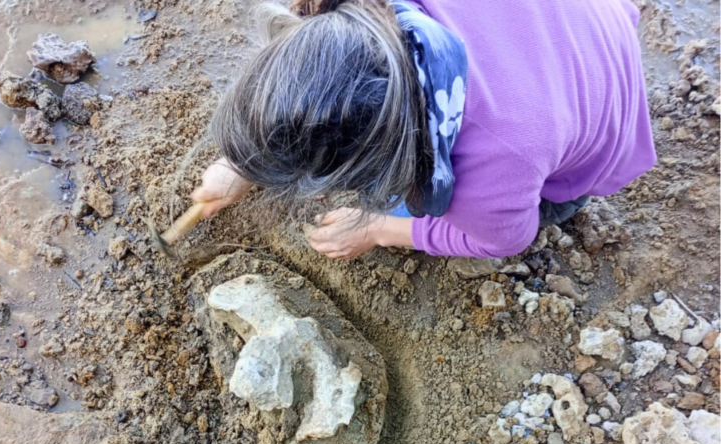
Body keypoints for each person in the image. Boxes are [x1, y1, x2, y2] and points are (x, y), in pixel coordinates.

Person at [192, 0, 656, 260]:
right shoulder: (353, 17)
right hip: (585, 22)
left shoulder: (492, 164)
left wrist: (378, 229)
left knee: (411, 205)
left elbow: (506, 238)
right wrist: (245, 161)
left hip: (604, 125)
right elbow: (319, 77)